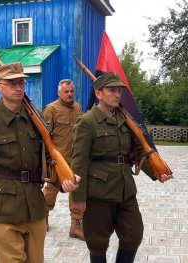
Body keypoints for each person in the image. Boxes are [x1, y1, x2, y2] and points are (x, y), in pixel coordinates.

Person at [0, 62, 80, 262]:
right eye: (12, 83)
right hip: (3, 206)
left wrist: (65, 178)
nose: (18, 87)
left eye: (21, 83)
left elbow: (47, 159)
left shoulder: (36, 119)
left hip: (34, 205)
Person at [70, 73, 173, 263]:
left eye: (119, 91)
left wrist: (157, 172)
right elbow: (79, 161)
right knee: (97, 241)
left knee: (133, 235)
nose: (117, 95)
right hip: (99, 190)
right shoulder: (87, 122)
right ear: (98, 93)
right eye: (112, 90)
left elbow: (140, 150)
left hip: (125, 188)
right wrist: (78, 197)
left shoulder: (126, 120)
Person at [42, 79, 84, 239]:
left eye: (71, 91)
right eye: (66, 91)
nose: (69, 94)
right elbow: (45, 137)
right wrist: (48, 160)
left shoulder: (78, 108)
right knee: (51, 190)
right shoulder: (51, 109)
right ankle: (43, 216)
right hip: (58, 161)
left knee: (78, 191)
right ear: (59, 93)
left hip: (76, 159)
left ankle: (76, 225)